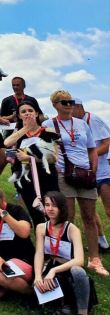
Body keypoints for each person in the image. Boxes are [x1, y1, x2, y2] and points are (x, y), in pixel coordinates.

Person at [42, 91, 105, 276]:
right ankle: (67, 257)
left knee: (90, 217)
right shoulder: (48, 124)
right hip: (64, 175)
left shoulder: (82, 124)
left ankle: (95, 259)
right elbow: (46, 150)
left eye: (71, 102)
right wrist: (56, 167)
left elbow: (92, 149)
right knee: (67, 217)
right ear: (55, 105)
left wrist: (93, 170)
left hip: (85, 173)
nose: (69, 105)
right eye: (64, 102)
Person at [34, 191, 96, 315]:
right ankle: (60, 304)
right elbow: (39, 253)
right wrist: (38, 276)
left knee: (78, 271)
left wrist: (53, 270)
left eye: (54, 206)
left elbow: (79, 260)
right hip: (53, 266)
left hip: (69, 268)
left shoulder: (72, 229)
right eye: (47, 205)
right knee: (37, 288)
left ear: (62, 208)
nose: (50, 209)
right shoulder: (41, 228)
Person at [4, 101, 59, 224]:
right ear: (19, 116)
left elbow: (54, 158)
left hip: (46, 176)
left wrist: (31, 159)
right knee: (35, 212)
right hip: (27, 177)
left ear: (36, 113)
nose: (27, 114)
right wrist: (26, 128)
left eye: (30, 111)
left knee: (53, 211)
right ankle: (40, 239)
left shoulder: (47, 131)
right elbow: (7, 143)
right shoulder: (20, 132)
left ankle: (55, 240)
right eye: (23, 112)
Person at [71, 99, 110, 251]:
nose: (69, 111)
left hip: (104, 172)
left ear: (79, 107)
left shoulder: (92, 119)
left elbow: (107, 144)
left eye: (71, 107)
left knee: (108, 210)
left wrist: (86, 157)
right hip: (92, 172)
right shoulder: (78, 123)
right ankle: (102, 243)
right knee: (90, 210)